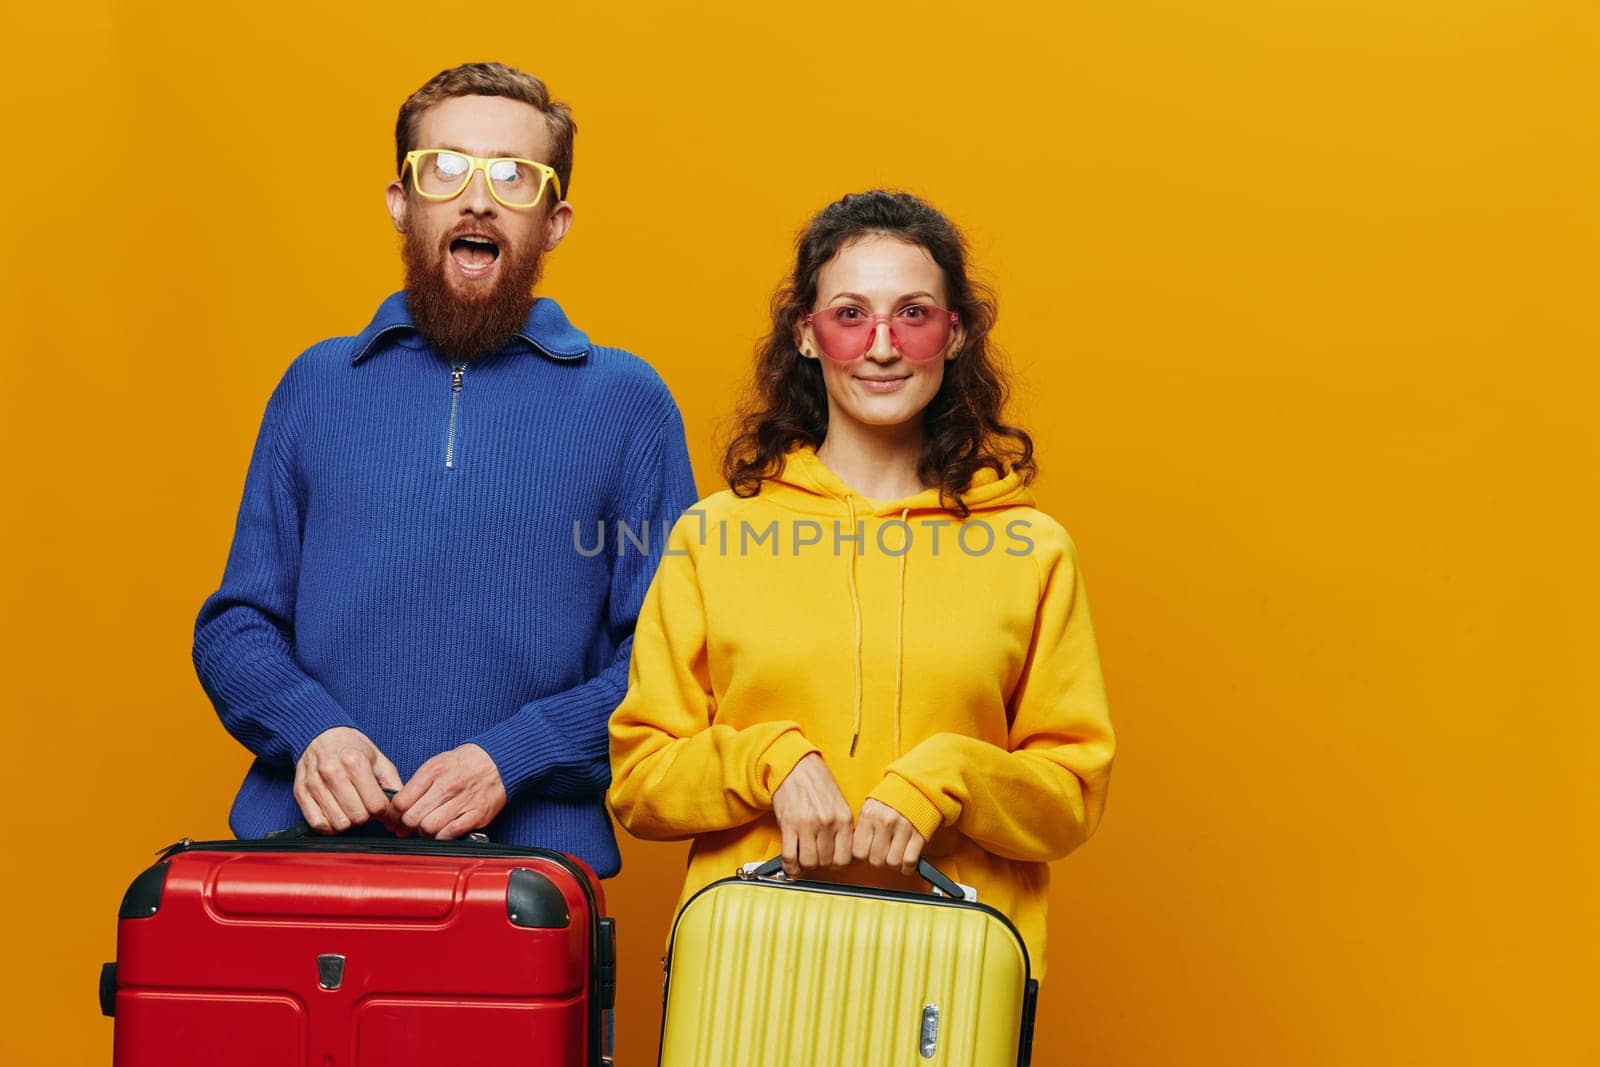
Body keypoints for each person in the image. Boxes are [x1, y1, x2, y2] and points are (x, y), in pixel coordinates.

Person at [194, 63, 696, 876]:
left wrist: (515, 755)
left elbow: (669, 659)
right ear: (402, 202)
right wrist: (311, 728)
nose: (477, 197)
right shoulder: (316, 386)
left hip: (528, 878)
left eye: (513, 176)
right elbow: (236, 624)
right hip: (303, 866)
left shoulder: (628, 404)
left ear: (554, 220)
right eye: (446, 168)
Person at [608, 190, 1114, 977]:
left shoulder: (1031, 547)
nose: (882, 345)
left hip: (954, 974)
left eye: (912, 314)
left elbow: (1072, 794)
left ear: (956, 334)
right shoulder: (712, 535)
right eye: (851, 315)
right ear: (808, 337)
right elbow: (640, 782)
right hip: (751, 962)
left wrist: (949, 778)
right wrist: (765, 762)